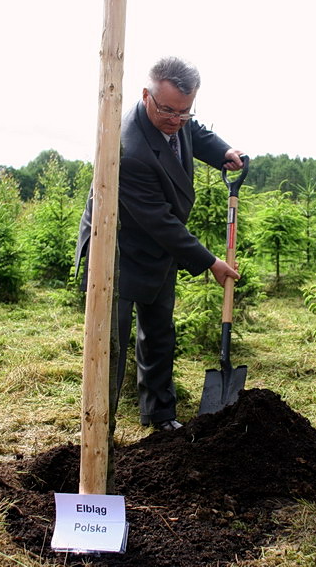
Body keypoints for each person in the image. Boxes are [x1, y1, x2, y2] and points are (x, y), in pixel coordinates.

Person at [75, 56, 244, 431]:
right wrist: (209, 262)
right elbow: (161, 222)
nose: (175, 119)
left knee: (159, 333)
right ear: (146, 96)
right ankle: (103, 424)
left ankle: (160, 416)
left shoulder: (176, 117)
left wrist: (222, 152)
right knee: (111, 345)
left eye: (184, 111)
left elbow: (192, 132)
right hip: (115, 252)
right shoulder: (129, 149)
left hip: (155, 248)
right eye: (168, 110)